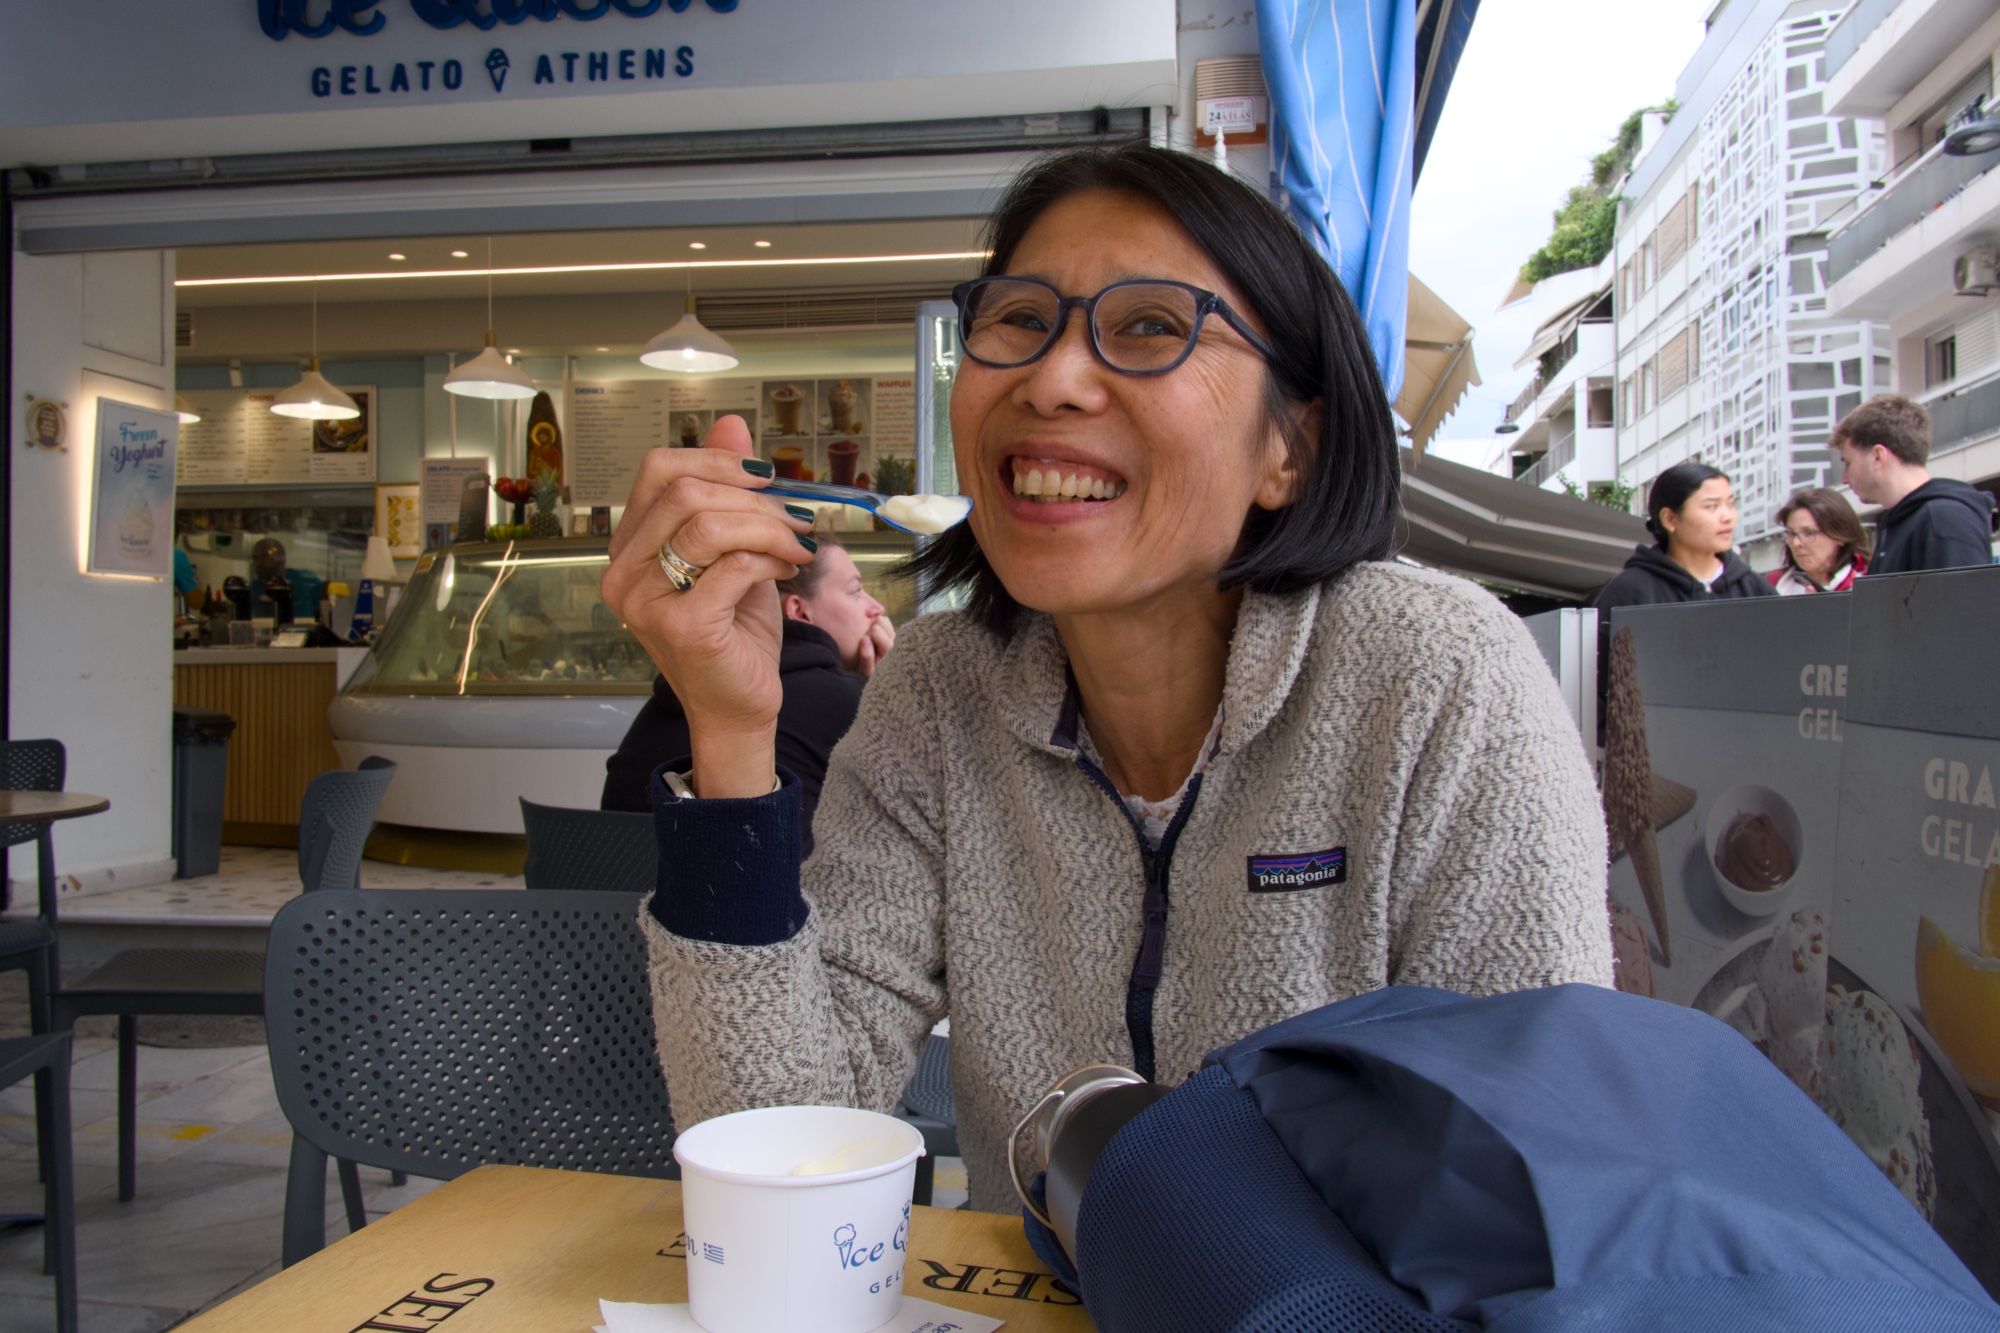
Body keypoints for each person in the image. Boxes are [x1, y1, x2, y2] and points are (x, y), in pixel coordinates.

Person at [601, 143, 1610, 1212]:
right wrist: (729, 733)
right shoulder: (938, 694)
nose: (1050, 379)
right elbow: (774, 1144)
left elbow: (1533, 1177)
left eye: (1149, 326)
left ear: (1291, 449)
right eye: (1018, 319)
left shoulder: (1436, 676)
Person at [601, 535, 892, 839]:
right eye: (856, 591)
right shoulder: (844, 702)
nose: (877, 607)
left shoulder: (668, 698)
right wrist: (886, 695)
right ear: (799, 611)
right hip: (776, 868)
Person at [1833, 395, 1995, 575]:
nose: (1844, 479)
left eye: (1848, 463)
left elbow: (1961, 594)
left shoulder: (1943, 521)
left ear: (1877, 456)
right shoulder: (1909, 520)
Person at [1594, 462, 1775, 612]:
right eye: (1711, 506)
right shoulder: (1630, 590)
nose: (1728, 517)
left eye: (1730, 504)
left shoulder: (1755, 588)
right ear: (1670, 519)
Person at [1768, 488, 1869, 594]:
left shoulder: (1869, 583)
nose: (1795, 543)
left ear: (1840, 536)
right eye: (1791, 534)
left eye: (1808, 533)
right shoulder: (1773, 585)